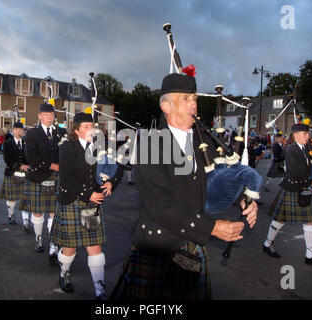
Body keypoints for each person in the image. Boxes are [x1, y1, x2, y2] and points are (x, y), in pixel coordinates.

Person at [110, 72, 258, 300]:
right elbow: (161, 207)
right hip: (158, 246)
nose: (194, 106)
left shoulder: (203, 141)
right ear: (166, 106)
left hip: (192, 245)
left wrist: (243, 198)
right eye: (186, 99)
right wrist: (212, 228)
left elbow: (216, 182)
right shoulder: (151, 144)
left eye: (195, 99)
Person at [50, 112, 122, 299]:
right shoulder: (67, 148)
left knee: (94, 248)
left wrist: (111, 181)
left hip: (91, 203)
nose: (91, 130)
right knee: (70, 248)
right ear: (76, 130)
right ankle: (64, 273)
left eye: (92, 126)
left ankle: (99, 289)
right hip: (73, 201)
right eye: (86, 127)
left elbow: (115, 166)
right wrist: (88, 193)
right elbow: (66, 179)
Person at [263, 122, 312, 268]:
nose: (308, 137)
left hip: (301, 188)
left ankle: (310, 254)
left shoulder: (304, 148)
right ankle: (267, 244)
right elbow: (295, 172)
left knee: (309, 221)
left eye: (308, 134)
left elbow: (307, 168)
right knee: (279, 220)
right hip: (291, 188)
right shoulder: (290, 149)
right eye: (305, 134)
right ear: (296, 135)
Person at [19, 103, 63, 262]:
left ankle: (53, 244)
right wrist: (53, 165)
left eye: (51, 115)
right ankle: (38, 238)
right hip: (38, 176)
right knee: (38, 212)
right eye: (46, 115)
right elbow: (32, 156)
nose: (49, 118)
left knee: (53, 212)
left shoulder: (59, 133)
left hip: (55, 178)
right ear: (39, 116)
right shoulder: (32, 133)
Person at [0, 122, 30, 229]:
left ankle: (25, 221)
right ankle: (11, 215)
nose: (18, 131)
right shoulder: (7, 143)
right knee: (12, 198)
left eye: (20, 130)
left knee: (25, 198)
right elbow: (7, 159)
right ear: (13, 130)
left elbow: (29, 157)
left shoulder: (26, 142)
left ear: (23, 131)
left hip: (25, 174)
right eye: (16, 129)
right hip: (12, 172)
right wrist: (20, 166)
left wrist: (28, 165)